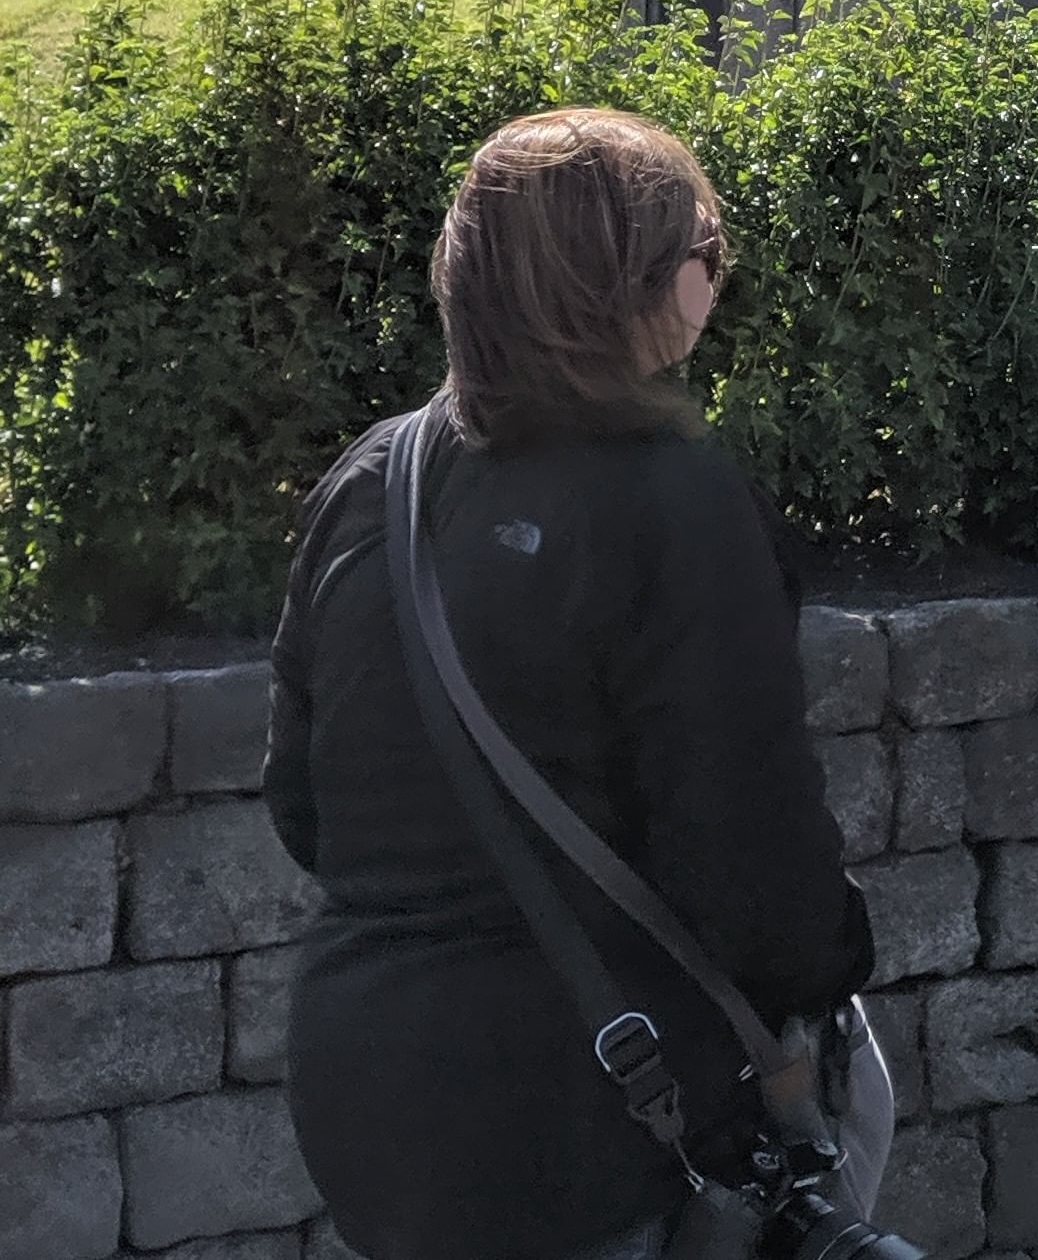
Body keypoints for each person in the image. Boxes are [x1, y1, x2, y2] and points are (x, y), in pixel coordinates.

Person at [263, 109, 874, 1260]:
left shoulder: (373, 482)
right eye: (706, 249)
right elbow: (746, 848)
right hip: (594, 1102)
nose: (716, 279)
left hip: (369, 1082)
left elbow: (303, 800)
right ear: (626, 282)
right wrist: (829, 972)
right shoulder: (672, 502)